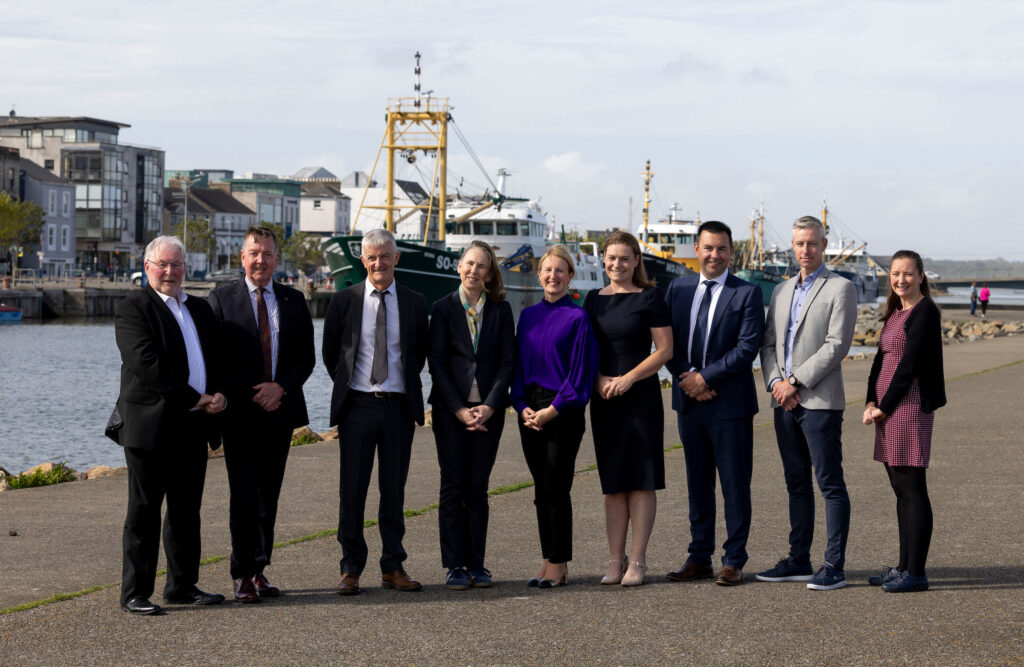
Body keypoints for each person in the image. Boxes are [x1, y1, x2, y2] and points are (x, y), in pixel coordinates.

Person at [110, 235, 226, 615]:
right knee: (143, 511)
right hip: (150, 426)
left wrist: (219, 393)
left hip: (193, 426)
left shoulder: (200, 308)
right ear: (147, 268)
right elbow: (147, 365)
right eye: (162, 264)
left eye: (177, 265)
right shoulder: (133, 308)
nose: (170, 272)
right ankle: (134, 593)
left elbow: (216, 358)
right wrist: (196, 397)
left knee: (185, 512)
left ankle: (181, 586)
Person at [208, 226, 315, 602]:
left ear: (276, 259)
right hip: (240, 413)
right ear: (242, 257)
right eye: (254, 253)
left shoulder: (293, 300)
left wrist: (280, 387)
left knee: (269, 494)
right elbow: (217, 360)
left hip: (280, 411)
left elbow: (306, 358)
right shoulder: (220, 300)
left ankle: (259, 568)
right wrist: (253, 392)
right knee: (243, 494)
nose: (260, 260)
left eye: (267, 254)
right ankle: (241, 573)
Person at [322, 228, 429, 596]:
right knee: (352, 490)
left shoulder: (415, 301)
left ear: (396, 258)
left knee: (393, 491)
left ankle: (393, 565)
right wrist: (354, 387)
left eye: (385, 256)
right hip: (357, 406)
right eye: (371, 257)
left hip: (399, 408)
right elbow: (332, 354)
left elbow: (418, 355)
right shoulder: (344, 301)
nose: (378, 263)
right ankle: (350, 568)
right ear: (362, 260)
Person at [758, 215, 857, 591]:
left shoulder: (841, 288)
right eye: (799, 244)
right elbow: (768, 344)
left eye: (812, 243)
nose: (805, 250)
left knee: (829, 483)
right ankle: (799, 558)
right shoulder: (781, 291)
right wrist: (774, 382)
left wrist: (794, 381)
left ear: (823, 245)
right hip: (783, 402)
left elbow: (837, 345)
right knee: (795, 483)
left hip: (819, 401)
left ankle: (834, 565)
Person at [663, 221, 764, 587]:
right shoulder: (678, 288)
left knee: (735, 485)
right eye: (708, 248)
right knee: (697, 484)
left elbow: (747, 348)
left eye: (721, 249)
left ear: (730, 252)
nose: (714, 255)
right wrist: (688, 377)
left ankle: (734, 560)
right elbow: (665, 341)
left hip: (729, 405)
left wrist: (704, 378)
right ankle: (699, 556)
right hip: (689, 403)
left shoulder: (747, 293)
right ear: (696, 248)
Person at [583, 231, 672, 588]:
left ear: (636, 260)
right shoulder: (592, 299)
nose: (617, 264)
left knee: (641, 481)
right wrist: (600, 378)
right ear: (602, 260)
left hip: (640, 397)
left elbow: (664, 350)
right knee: (614, 483)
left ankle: (637, 561)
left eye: (624, 258)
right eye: (611, 258)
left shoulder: (650, 296)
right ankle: (614, 561)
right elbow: (583, 350)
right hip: (603, 397)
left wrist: (628, 378)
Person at [427, 240, 515, 590]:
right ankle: (453, 565)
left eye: (482, 266)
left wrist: (491, 406)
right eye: (469, 264)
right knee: (453, 487)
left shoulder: (501, 310)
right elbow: (437, 364)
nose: (474, 271)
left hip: (489, 413)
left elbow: (508, 362)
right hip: (451, 414)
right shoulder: (443, 308)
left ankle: (477, 564)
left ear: (490, 273)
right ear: (458, 267)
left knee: (477, 488)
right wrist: (460, 409)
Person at [511, 245, 599, 589]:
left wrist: (551, 411)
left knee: (556, 487)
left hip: (562, 410)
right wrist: (521, 407)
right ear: (539, 275)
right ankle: (547, 559)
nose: (553, 276)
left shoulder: (578, 318)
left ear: (570, 276)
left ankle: (559, 563)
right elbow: (517, 367)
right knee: (540, 490)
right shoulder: (528, 316)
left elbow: (580, 375)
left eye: (560, 271)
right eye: (547, 270)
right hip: (529, 408)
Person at [862, 250, 946, 593]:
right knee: (900, 491)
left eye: (908, 274)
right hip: (887, 407)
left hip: (908, 408)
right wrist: (870, 399)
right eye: (895, 274)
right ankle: (902, 567)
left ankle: (917, 573)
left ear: (921, 276)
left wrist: (885, 406)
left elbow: (908, 365)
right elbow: (880, 362)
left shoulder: (925, 311)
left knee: (913, 489)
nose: (900, 280)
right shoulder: (896, 312)